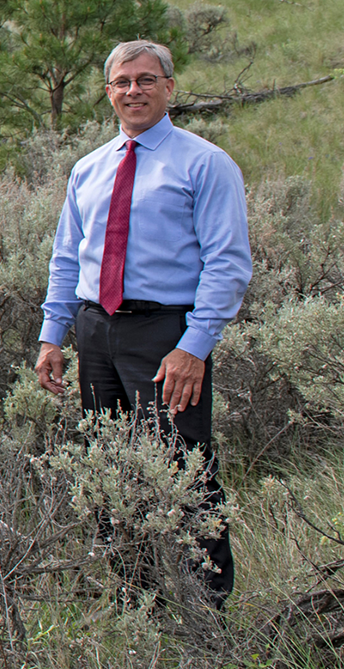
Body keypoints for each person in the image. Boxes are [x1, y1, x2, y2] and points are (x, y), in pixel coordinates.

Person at [32, 39, 247, 609]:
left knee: (185, 470)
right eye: (123, 82)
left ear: (169, 88)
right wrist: (54, 335)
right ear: (109, 93)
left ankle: (206, 612)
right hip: (96, 330)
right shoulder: (89, 168)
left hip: (164, 336)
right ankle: (135, 603)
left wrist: (193, 347)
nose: (134, 91)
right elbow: (66, 257)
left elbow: (227, 264)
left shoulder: (205, 163)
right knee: (110, 467)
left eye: (147, 80)